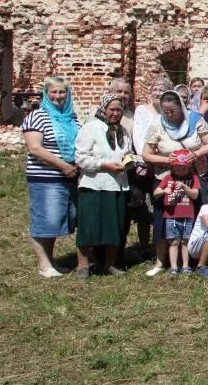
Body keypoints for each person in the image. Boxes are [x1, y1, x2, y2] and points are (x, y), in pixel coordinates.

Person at [143, 89, 208, 277]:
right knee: (163, 219)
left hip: (193, 176)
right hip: (167, 177)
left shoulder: (194, 119)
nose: (169, 114)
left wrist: (195, 154)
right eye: (166, 111)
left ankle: (193, 259)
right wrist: (168, 160)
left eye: (173, 111)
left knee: (195, 216)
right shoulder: (157, 124)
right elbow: (146, 154)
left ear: (181, 107)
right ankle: (161, 261)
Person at [22, 77, 81, 278]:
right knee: (44, 220)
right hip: (46, 177)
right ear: (46, 94)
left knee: (56, 221)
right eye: (53, 92)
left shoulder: (71, 118)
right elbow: (35, 148)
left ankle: (50, 260)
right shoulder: (37, 116)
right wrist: (63, 165)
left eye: (62, 92)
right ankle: (43, 265)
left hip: (68, 177)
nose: (57, 96)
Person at [73, 93, 131, 278]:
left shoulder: (123, 131)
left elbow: (126, 152)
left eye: (119, 110)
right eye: (112, 109)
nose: (115, 113)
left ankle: (109, 264)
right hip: (94, 184)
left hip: (117, 184)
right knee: (89, 225)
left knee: (115, 226)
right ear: (104, 109)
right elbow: (81, 157)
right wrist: (103, 165)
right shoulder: (91, 128)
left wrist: (129, 161)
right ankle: (83, 265)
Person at [129, 77, 173, 260]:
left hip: (162, 165)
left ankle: (161, 244)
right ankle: (144, 245)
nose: (157, 92)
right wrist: (144, 159)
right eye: (155, 88)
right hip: (143, 164)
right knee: (141, 206)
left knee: (159, 204)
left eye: (162, 89)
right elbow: (138, 136)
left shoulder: (169, 113)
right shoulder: (142, 110)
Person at [153, 149, 201, 276]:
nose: (180, 172)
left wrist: (185, 187)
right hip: (171, 215)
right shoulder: (168, 178)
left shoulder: (193, 178)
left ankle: (185, 266)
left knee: (185, 240)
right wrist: (164, 191)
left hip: (188, 215)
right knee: (174, 241)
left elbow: (195, 195)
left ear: (189, 167)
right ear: (172, 167)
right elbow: (155, 193)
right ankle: (174, 267)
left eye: (183, 169)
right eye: (177, 169)